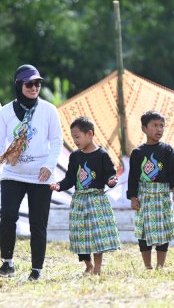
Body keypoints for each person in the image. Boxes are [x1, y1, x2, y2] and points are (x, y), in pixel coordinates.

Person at [0, 64, 63, 281]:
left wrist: (49, 165)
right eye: (29, 84)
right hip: (13, 173)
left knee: (38, 222)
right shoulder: (6, 111)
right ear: (18, 85)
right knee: (7, 216)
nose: (34, 87)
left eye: (37, 83)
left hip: (41, 174)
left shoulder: (49, 110)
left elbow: (56, 141)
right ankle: (7, 264)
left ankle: (37, 270)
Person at [50, 116, 120, 275]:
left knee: (97, 235)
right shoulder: (75, 156)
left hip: (96, 199)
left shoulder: (102, 154)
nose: (75, 141)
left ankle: (98, 268)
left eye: (77, 137)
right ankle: (88, 264)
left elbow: (110, 174)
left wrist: (111, 180)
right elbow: (70, 178)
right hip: (79, 200)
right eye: (73, 137)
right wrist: (59, 185)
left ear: (90, 134)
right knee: (80, 234)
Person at [127, 111, 174, 270]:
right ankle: (148, 266)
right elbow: (133, 177)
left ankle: (160, 266)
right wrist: (133, 197)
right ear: (144, 128)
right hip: (144, 195)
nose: (159, 129)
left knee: (163, 229)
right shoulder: (137, 153)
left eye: (162, 126)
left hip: (162, 194)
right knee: (143, 231)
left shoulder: (167, 150)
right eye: (155, 125)